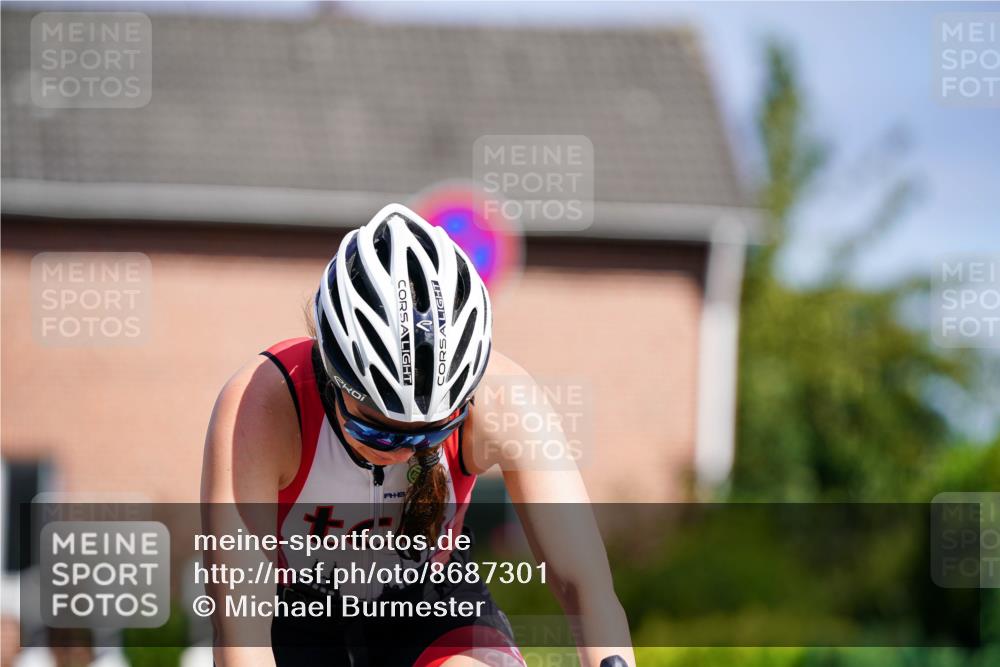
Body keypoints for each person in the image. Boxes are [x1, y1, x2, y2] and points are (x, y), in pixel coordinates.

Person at [202, 203, 635, 667]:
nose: (408, 451)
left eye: (434, 433)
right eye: (379, 431)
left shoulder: (505, 399)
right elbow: (242, 628)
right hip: (296, 614)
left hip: (432, 603)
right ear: (332, 373)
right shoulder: (264, 407)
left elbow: (584, 584)